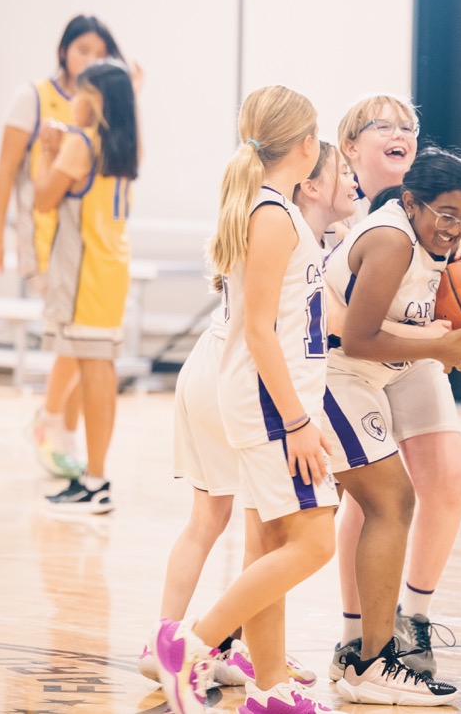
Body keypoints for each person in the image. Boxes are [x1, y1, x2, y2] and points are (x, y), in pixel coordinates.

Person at [137, 141, 357, 689]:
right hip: (245, 387)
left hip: (237, 382)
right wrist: (300, 420)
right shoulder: (276, 217)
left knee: (256, 537)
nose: (351, 180)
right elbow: (264, 330)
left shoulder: (278, 214)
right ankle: (186, 644)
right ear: (306, 160)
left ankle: (266, 678)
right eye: (343, 168)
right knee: (301, 540)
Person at [333, 99, 461, 679]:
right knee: (370, 499)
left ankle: (413, 617)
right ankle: (358, 632)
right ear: (350, 147)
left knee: (449, 477)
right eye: (382, 125)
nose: (400, 133)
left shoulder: (446, 206)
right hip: (360, 356)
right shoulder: (331, 202)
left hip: (413, 352)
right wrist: (431, 341)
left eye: (408, 126)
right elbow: (341, 324)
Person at [322, 146, 461, 705]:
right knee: (383, 505)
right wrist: (439, 344)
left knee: (423, 487)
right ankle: (367, 655)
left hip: (394, 364)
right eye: (447, 216)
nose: (457, 230)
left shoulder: (442, 234)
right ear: (411, 203)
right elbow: (358, 338)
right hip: (341, 371)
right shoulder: (391, 239)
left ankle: (384, 642)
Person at [0, 15, 128, 480]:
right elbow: (7, 172)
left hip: (81, 246)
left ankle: (56, 427)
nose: (90, 58)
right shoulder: (34, 97)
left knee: (80, 346)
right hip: (50, 242)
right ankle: (55, 425)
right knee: (80, 345)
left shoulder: (97, 123)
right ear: (63, 50)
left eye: (99, 51)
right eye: (82, 48)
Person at [36, 60, 139, 514]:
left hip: (83, 275)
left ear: (95, 101)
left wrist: (46, 150)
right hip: (110, 270)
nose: (72, 100)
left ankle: (96, 480)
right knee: (99, 372)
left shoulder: (80, 143)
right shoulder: (127, 145)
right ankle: (94, 475)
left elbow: (43, 198)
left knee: (95, 373)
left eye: (79, 93)